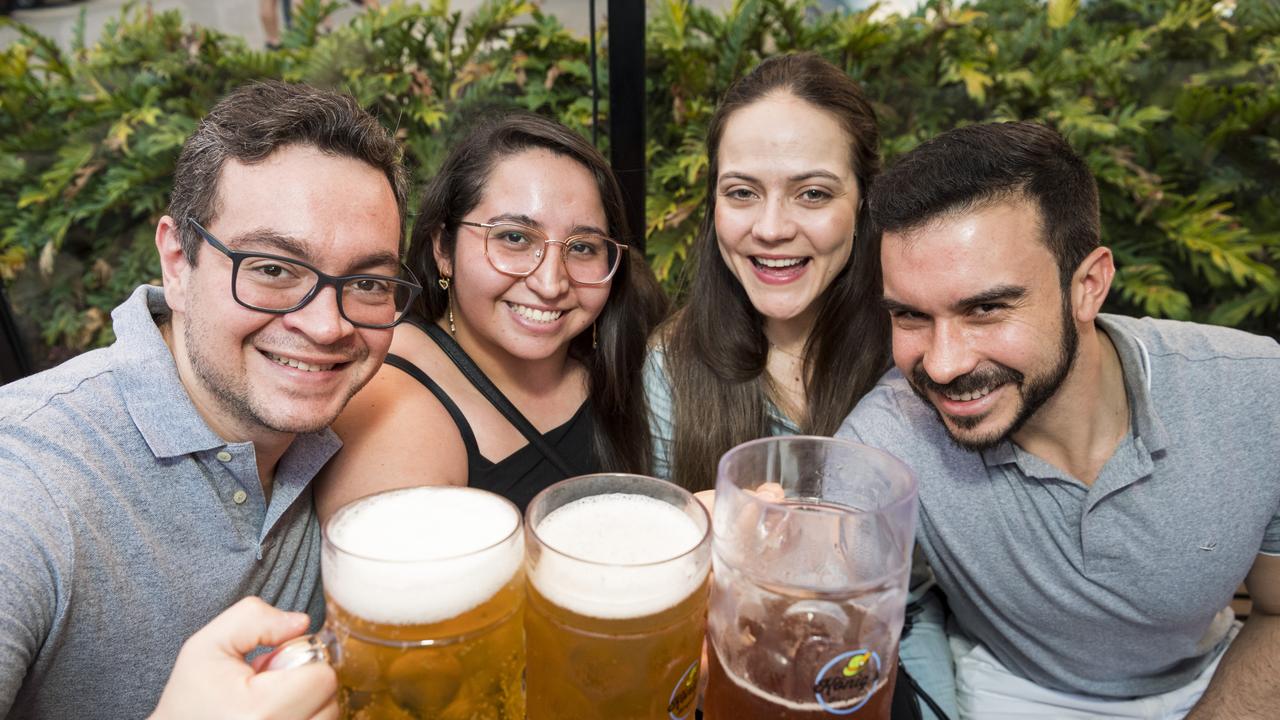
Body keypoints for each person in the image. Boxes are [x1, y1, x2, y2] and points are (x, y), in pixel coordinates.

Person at [0, 80, 417, 720]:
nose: (328, 326)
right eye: (273, 268)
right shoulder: (28, 480)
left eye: (365, 282)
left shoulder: (358, 425)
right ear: (176, 260)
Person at [840, 120, 1280, 719]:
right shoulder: (886, 438)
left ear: (1089, 286)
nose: (942, 366)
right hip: (1006, 690)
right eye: (911, 316)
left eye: (987, 308)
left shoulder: (1256, 390)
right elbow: (802, 584)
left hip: (1211, 685)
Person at [315, 112, 667, 519]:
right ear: (443, 249)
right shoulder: (395, 403)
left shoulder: (625, 341)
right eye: (514, 238)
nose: (551, 283)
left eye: (583, 247)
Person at [645, 52, 889, 492]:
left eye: (812, 194)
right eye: (742, 192)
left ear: (864, 202)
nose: (771, 229)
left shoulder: (918, 355)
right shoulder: (669, 371)